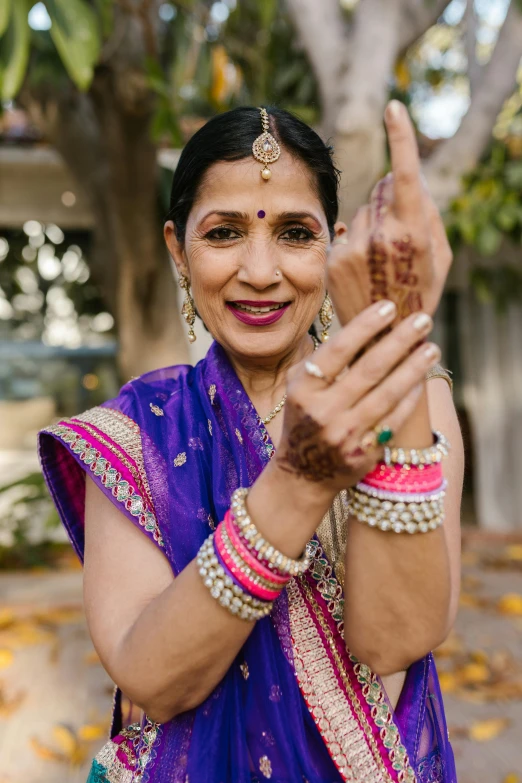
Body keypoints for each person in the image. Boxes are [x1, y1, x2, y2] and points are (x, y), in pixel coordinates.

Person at [39, 101, 463, 783]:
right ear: (179, 249)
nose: (261, 271)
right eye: (225, 233)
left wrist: (393, 350)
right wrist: (298, 481)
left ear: (339, 245)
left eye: (296, 233)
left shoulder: (416, 394)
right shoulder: (138, 429)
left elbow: (395, 641)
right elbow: (153, 677)